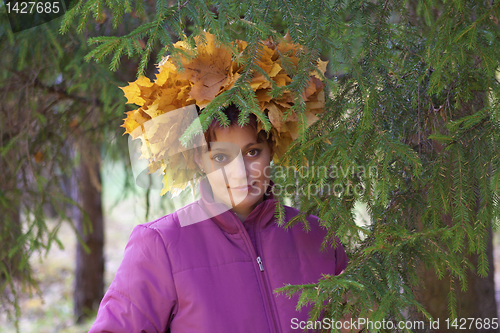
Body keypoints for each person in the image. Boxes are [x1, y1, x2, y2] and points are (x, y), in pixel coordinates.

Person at [89, 33, 348, 333]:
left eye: (252, 152)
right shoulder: (161, 245)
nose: (240, 172)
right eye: (222, 158)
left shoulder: (316, 236)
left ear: (271, 150)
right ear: (200, 159)